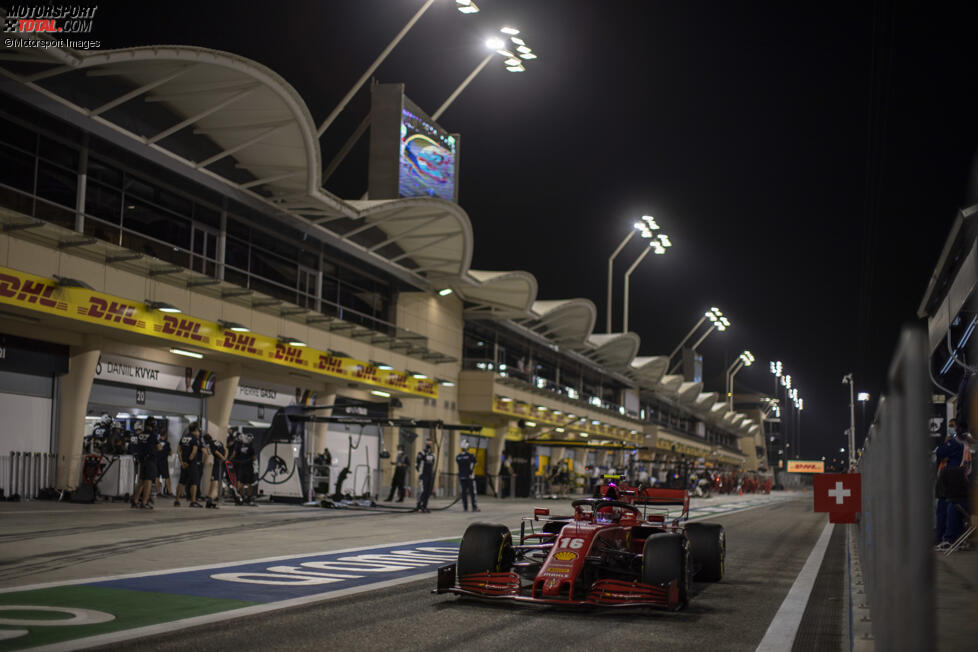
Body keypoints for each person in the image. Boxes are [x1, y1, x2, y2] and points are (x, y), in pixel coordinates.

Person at [935, 419, 973, 550]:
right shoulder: (967, 443)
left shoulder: (956, 443)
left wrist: (947, 443)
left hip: (954, 484)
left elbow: (940, 452)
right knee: (953, 508)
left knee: (948, 507)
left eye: (953, 427)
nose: (951, 429)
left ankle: (947, 539)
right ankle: (954, 538)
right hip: (958, 483)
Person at [132, 419, 161, 509]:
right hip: (150, 460)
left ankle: (135, 501)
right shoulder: (153, 435)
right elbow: (159, 447)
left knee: (141, 481)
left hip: (142, 460)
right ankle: (144, 502)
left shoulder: (140, 435)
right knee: (148, 481)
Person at [174, 423, 204, 507]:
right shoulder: (195, 439)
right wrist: (188, 461)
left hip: (183, 464)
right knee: (194, 482)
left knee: (181, 481)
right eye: (198, 430)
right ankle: (193, 501)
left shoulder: (184, 438)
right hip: (191, 464)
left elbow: (179, 450)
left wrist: (182, 462)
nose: (198, 432)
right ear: (195, 430)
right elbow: (194, 452)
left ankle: (177, 500)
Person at [230, 431, 258, 505]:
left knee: (241, 483)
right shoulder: (251, 446)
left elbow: (233, 455)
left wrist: (231, 460)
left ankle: (241, 497)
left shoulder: (239, 445)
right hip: (248, 466)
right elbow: (254, 458)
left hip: (241, 466)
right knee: (250, 483)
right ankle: (248, 498)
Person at [203, 433, 226, 509]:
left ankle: (210, 499)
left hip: (218, 463)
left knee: (214, 481)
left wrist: (223, 458)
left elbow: (215, 452)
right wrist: (225, 458)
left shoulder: (210, 444)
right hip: (220, 463)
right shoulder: (217, 441)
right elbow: (226, 449)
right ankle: (210, 500)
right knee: (214, 481)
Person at [455, 440, 479, 512]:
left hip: (462, 476)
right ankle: (474, 507)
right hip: (470, 477)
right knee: (473, 492)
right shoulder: (471, 456)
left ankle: (465, 508)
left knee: (463, 493)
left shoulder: (458, 457)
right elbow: (475, 463)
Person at [415, 438, 435, 513]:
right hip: (423, 475)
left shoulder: (432, 454)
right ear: (425, 443)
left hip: (430, 475)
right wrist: (420, 473)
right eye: (428, 443)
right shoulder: (421, 453)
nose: (429, 445)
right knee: (422, 491)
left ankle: (424, 506)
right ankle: (419, 505)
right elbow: (416, 464)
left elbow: (432, 464)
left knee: (428, 491)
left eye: (430, 443)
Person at [156, 431, 172, 497]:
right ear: (165, 435)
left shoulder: (157, 442)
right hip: (163, 462)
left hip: (156, 461)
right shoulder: (167, 443)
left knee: (157, 477)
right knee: (167, 477)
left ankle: (158, 492)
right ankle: (169, 491)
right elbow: (170, 453)